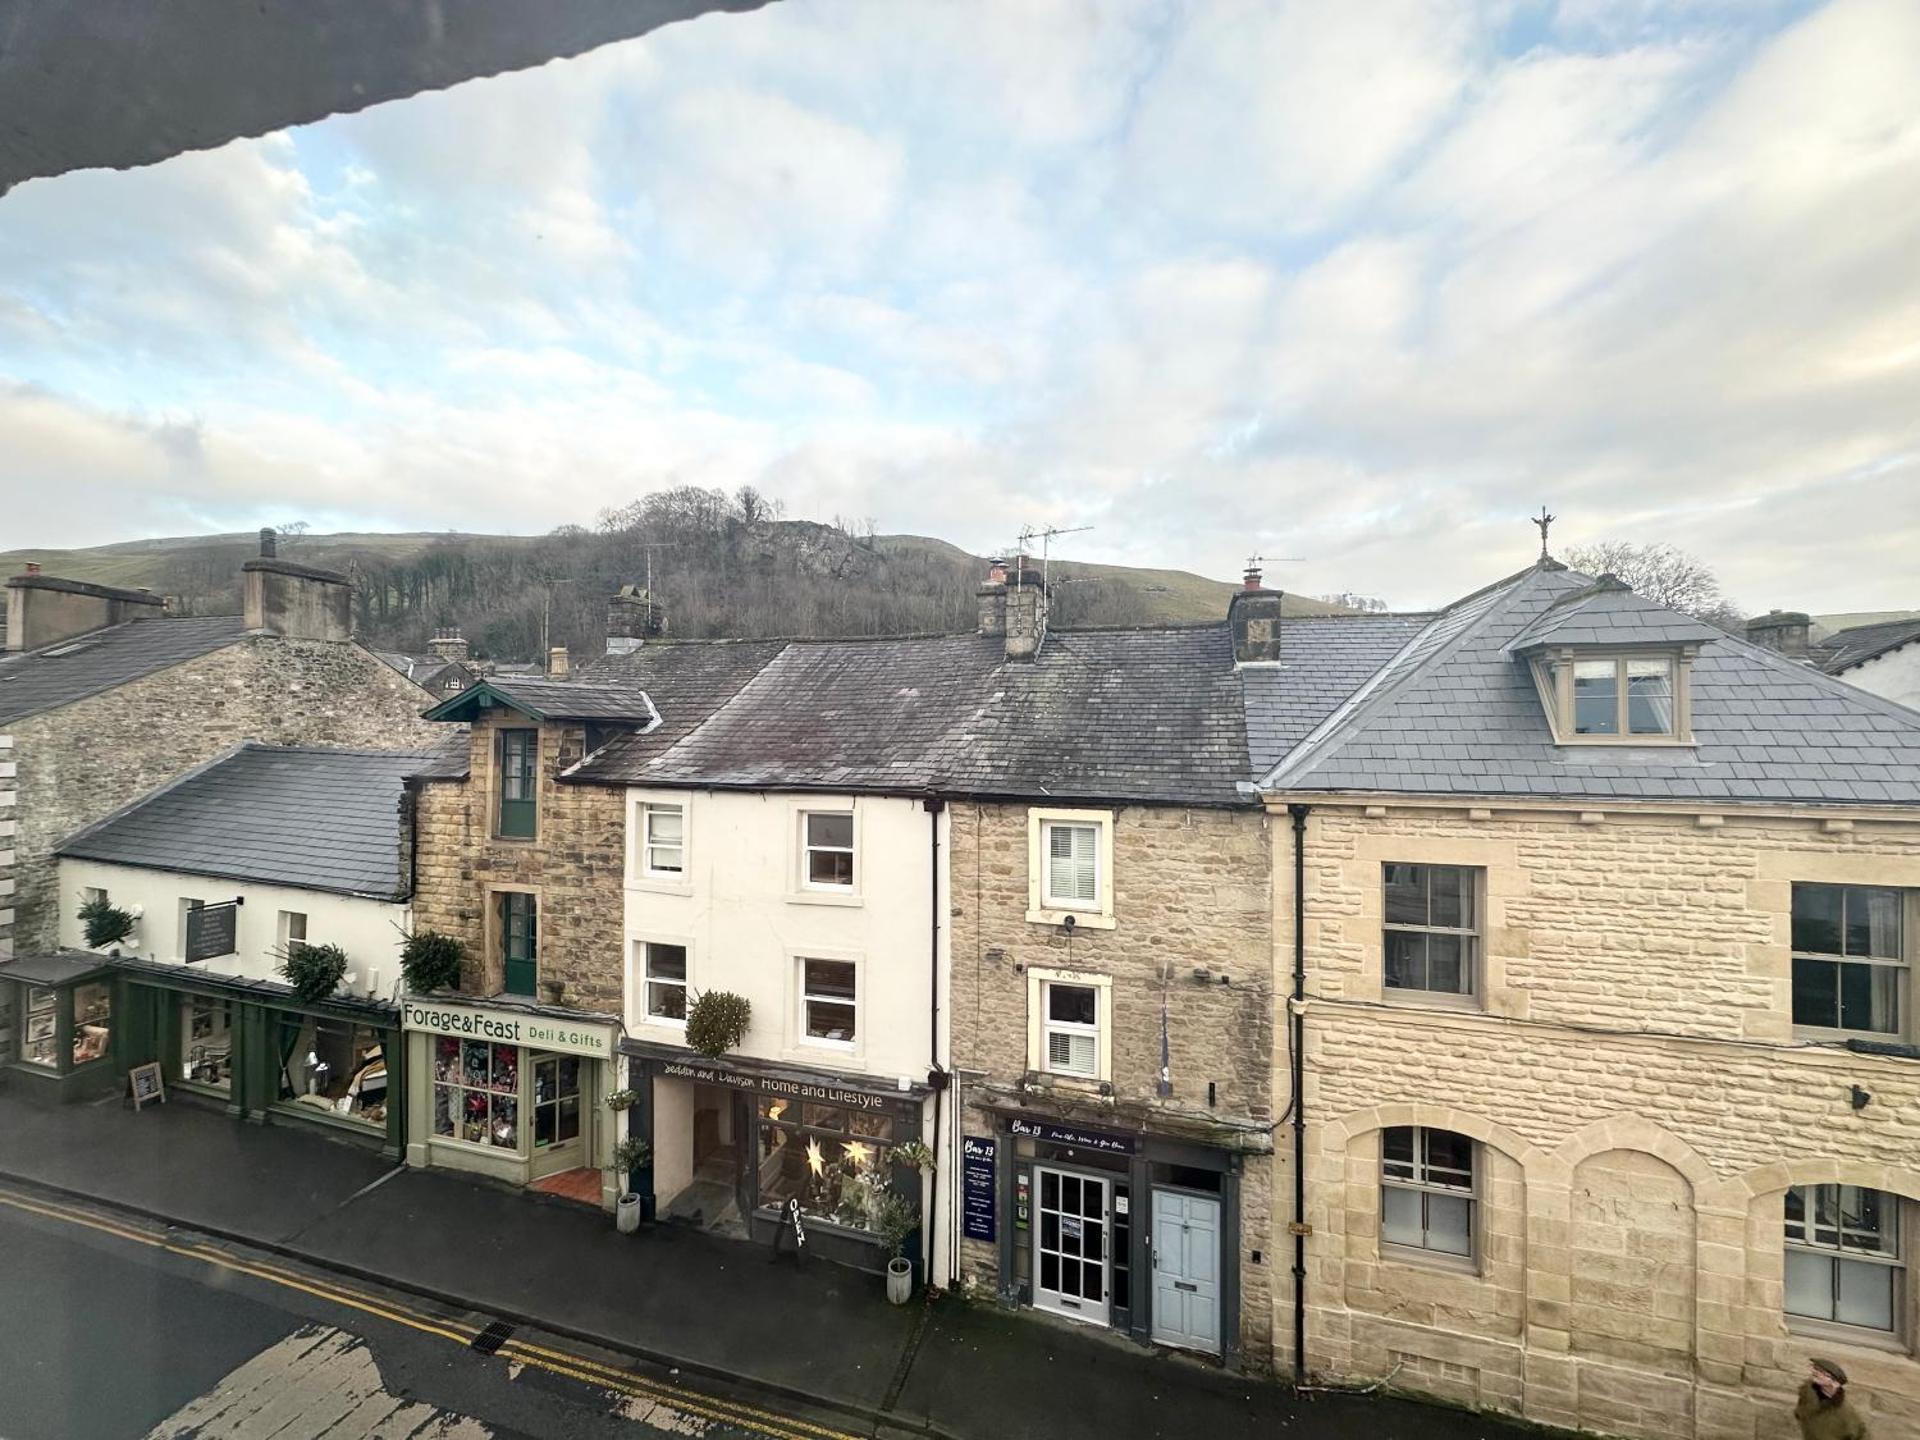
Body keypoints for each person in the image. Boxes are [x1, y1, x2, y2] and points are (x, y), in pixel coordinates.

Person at [1796, 1358, 1870, 1440]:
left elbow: (1860, 1434)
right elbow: (1800, 1413)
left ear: (1835, 1383)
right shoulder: (1808, 1394)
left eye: (1825, 1375)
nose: (1818, 1374)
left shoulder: (1845, 1412)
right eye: (1817, 1370)